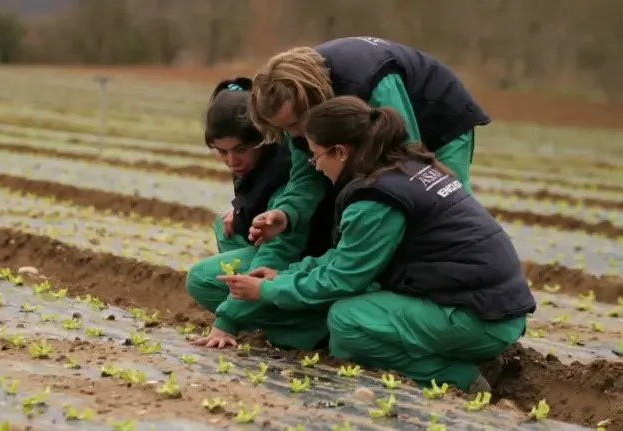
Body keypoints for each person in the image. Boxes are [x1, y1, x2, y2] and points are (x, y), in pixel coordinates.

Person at [219, 96, 535, 393]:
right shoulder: (406, 167)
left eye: (316, 155)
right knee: (359, 310)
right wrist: (283, 277)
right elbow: (346, 257)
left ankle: (458, 376)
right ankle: (467, 355)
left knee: (347, 322)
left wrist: (267, 291)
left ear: (340, 152)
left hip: (479, 319)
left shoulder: (375, 199)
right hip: (492, 309)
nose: (315, 165)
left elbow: (343, 278)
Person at [246, 36, 489, 245]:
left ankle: (478, 272)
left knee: (443, 205)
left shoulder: (368, 80)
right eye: (284, 129)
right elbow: (306, 174)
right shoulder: (297, 114)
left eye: (294, 124)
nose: (295, 134)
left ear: (312, 100)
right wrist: (287, 212)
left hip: (439, 120)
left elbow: (405, 157)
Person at [185, 77, 330, 351]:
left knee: (201, 280)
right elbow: (251, 204)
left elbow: (280, 247)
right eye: (222, 152)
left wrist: (226, 321)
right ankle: (267, 314)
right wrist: (240, 213)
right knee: (225, 226)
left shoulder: (287, 171)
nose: (232, 161)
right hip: (283, 250)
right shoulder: (261, 164)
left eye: (240, 150)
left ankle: (308, 326)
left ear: (263, 139)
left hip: (305, 256)